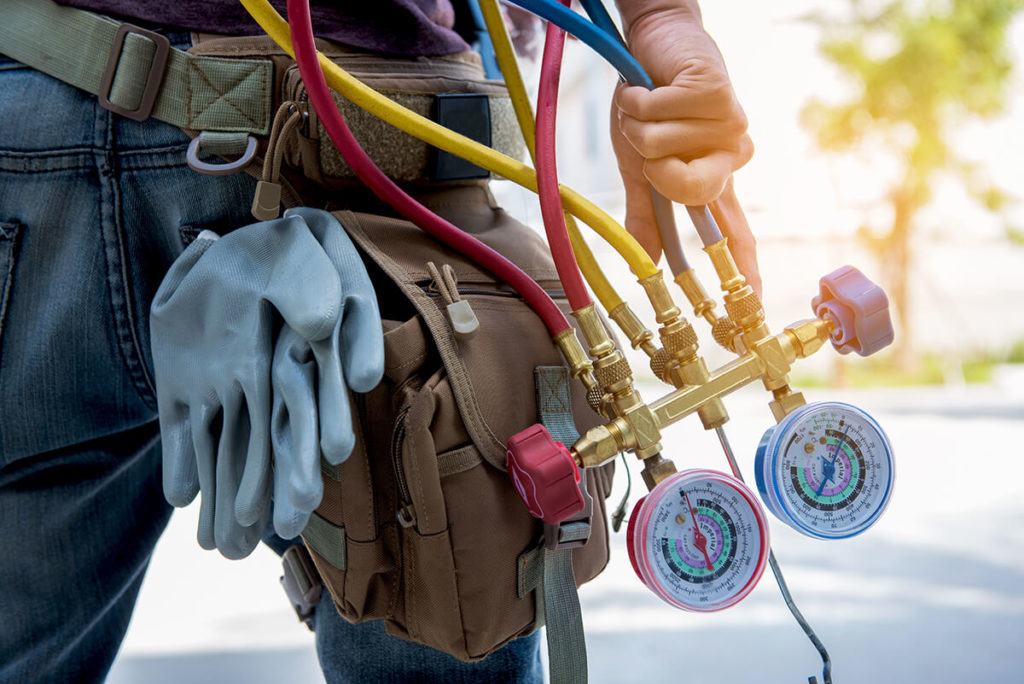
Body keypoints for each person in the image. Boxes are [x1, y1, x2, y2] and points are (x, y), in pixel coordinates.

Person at [0, 1, 755, 682]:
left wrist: (664, 25)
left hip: (41, 113)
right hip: (361, 144)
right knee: (447, 612)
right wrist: (661, 20)